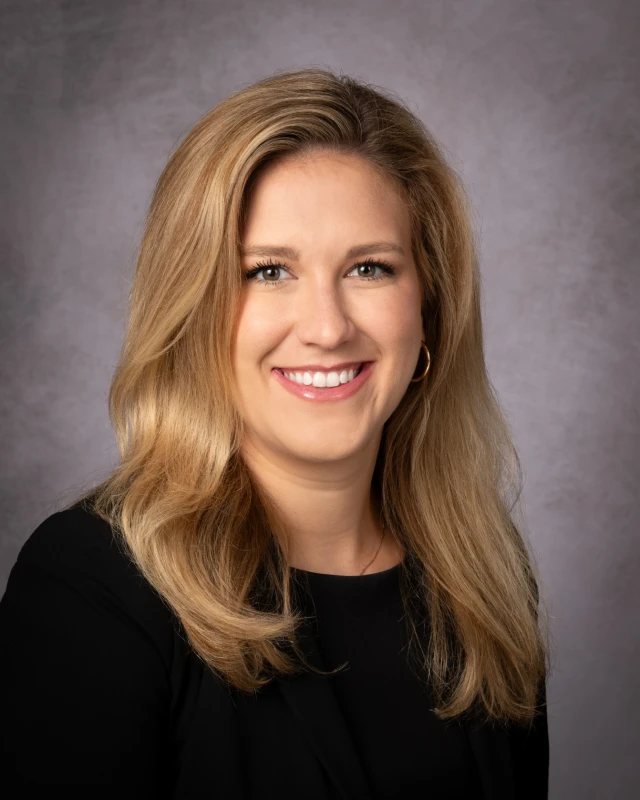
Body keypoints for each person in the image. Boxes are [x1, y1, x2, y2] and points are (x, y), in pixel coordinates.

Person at [0, 67, 550, 798]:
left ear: (431, 316)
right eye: (267, 272)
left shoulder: (484, 574)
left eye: (369, 268)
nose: (327, 328)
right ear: (192, 312)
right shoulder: (91, 588)